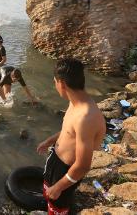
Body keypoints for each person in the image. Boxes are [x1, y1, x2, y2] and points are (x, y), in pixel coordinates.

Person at [36, 59, 105, 215]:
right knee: (49, 195)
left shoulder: (87, 117)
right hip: (55, 160)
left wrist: (59, 186)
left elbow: (82, 165)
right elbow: (69, 131)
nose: (55, 86)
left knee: (58, 206)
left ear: (61, 83)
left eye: (54, 82)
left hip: (67, 171)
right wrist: (50, 141)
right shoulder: (75, 101)